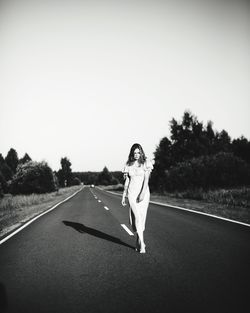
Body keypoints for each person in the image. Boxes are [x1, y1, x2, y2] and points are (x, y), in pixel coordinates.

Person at [121, 143, 153, 253]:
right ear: (131, 153)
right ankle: (141, 242)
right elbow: (127, 181)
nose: (136, 155)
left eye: (138, 152)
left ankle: (139, 242)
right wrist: (124, 194)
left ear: (141, 152)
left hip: (143, 193)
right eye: (134, 153)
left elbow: (146, 179)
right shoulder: (128, 165)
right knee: (136, 219)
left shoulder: (146, 163)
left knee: (141, 218)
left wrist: (143, 193)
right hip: (131, 193)